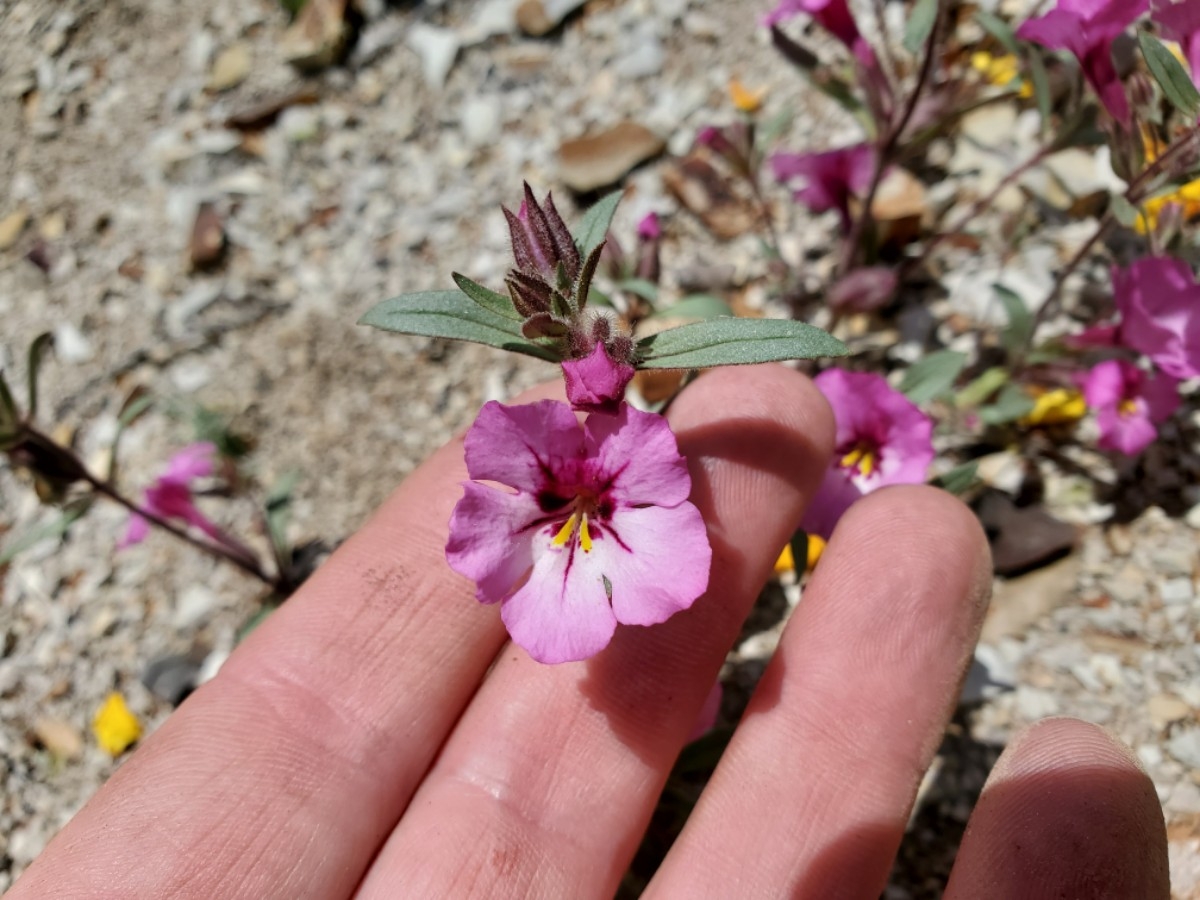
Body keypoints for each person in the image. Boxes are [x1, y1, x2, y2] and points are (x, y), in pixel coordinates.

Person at [9, 367, 1168, 898]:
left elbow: (631, 486)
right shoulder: (537, 502)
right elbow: (506, 535)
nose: (563, 517)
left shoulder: (601, 477)